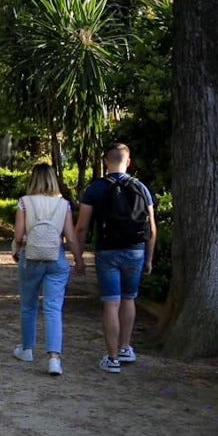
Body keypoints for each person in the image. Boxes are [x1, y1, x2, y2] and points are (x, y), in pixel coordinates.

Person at [74, 143, 157, 374]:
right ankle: (125, 347)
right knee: (129, 298)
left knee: (111, 302)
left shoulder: (95, 189)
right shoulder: (140, 187)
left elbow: (81, 227)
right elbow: (151, 227)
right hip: (135, 250)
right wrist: (148, 259)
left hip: (107, 250)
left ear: (105, 161)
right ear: (128, 162)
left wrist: (79, 257)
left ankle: (112, 359)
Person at [11, 164, 85, 376]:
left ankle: (27, 349)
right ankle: (54, 358)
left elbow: (18, 236)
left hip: (31, 258)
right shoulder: (64, 205)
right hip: (56, 259)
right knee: (53, 308)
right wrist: (79, 260)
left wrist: (20, 248)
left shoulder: (24, 203)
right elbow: (70, 237)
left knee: (28, 305)